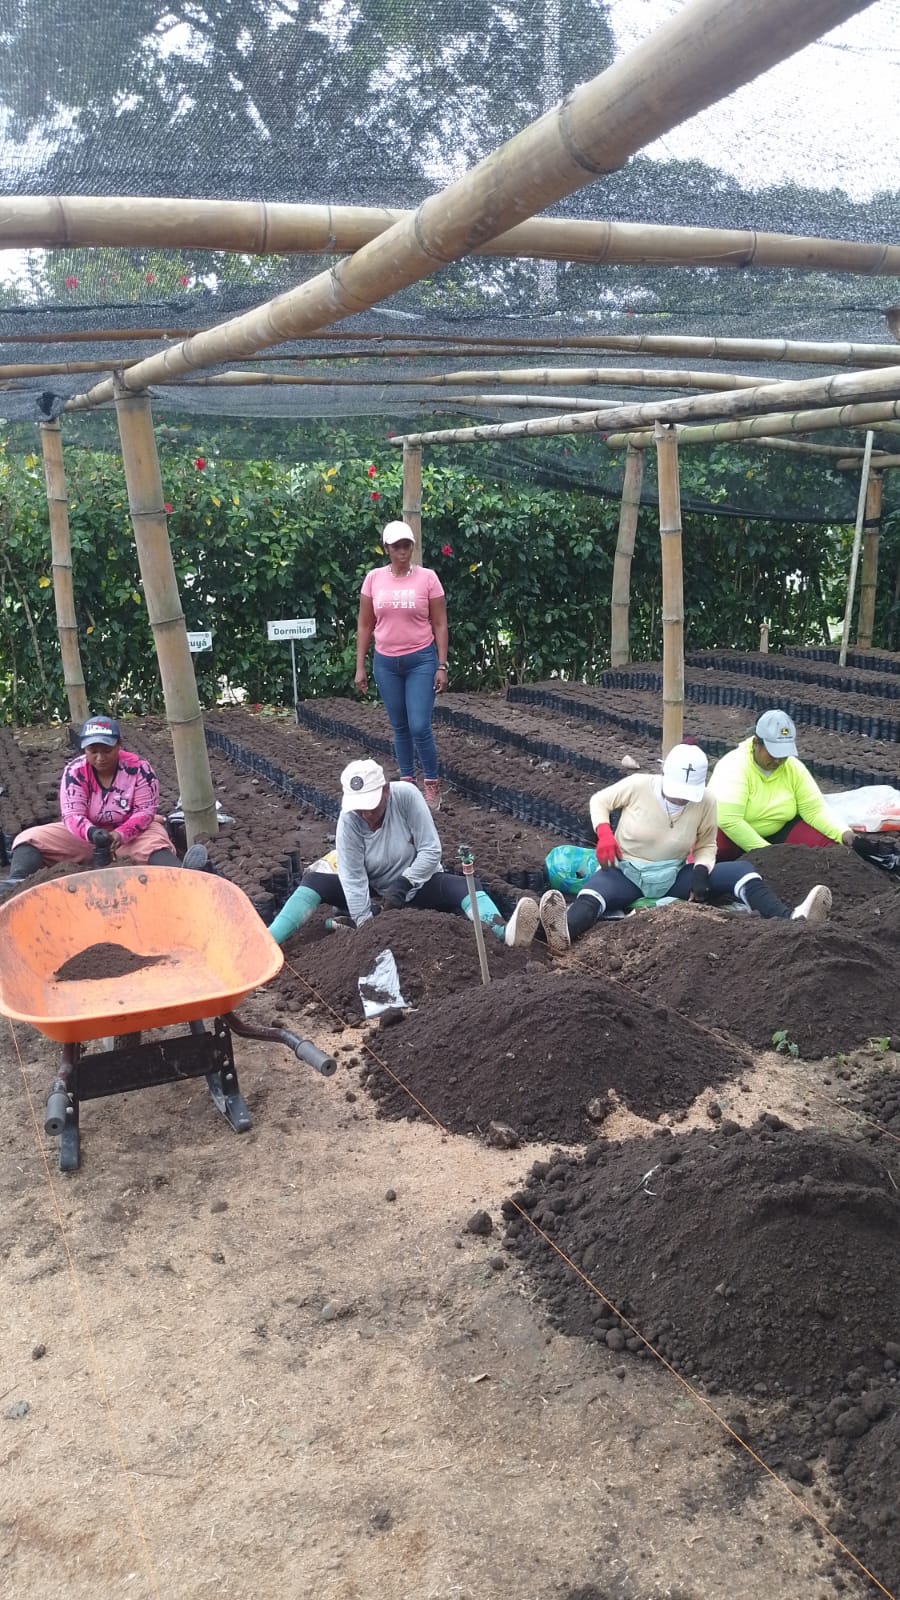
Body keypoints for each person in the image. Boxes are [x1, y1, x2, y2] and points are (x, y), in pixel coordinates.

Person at [536, 743, 832, 955]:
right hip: (626, 871)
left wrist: (701, 870)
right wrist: (604, 834)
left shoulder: (706, 801)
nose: (682, 800)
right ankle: (557, 933)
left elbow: (706, 844)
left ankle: (791, 918)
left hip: (672, 873)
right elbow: (599, 801)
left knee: (742, 871)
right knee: (593, 896)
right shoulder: (638, 785)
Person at [268, 758, 539, 948]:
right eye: (359, 808)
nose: (366, 814)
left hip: (419, 883)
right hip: (374, 887)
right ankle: (269, 942)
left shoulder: (406, 796)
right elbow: (353, 878)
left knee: (466, 886)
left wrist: (404, 883)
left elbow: (431, 850)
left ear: (386, 790)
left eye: (371, 806)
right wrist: (367, 925)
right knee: (314, 881)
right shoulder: (349, 820)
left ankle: (502, 931)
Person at [0, 714, 206, 895]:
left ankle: (184, 875)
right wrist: (92, 833)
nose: (100, 758)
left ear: (118, 745)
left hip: (132, 835)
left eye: (107, 750)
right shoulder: (75, 771)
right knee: (31, 838)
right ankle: (17, 882)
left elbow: (145, 811)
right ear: (84, 749)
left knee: (154, 843)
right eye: (93, 751)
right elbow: (72, 815)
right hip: (86, 835)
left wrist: (120, 834)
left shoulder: (139, 769)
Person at [355, 520, 449, 811]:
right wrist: (360, 666)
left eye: (407, 545)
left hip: (421, 660)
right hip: (386, 663)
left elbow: (440, 623)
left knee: (419, 725)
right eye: (396, 546)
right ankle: (407, 784)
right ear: (387, 548)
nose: (402, 551)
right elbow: (365, 624)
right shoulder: (373, 579)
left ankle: (431, 784)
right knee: (399, 726)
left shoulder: (428, 579)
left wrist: (442, 664)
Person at [708, 709, 856, 859]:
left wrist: (843, 833)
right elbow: (730, 821)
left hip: (778, 832)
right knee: (711, 849)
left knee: (830, 846)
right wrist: (770, 854)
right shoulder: (734, 766)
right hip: (731, 836)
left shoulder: (793, 768)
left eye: (783, 755)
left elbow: (814, 810)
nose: (778, 761)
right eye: (773, 754)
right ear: (756, 743)